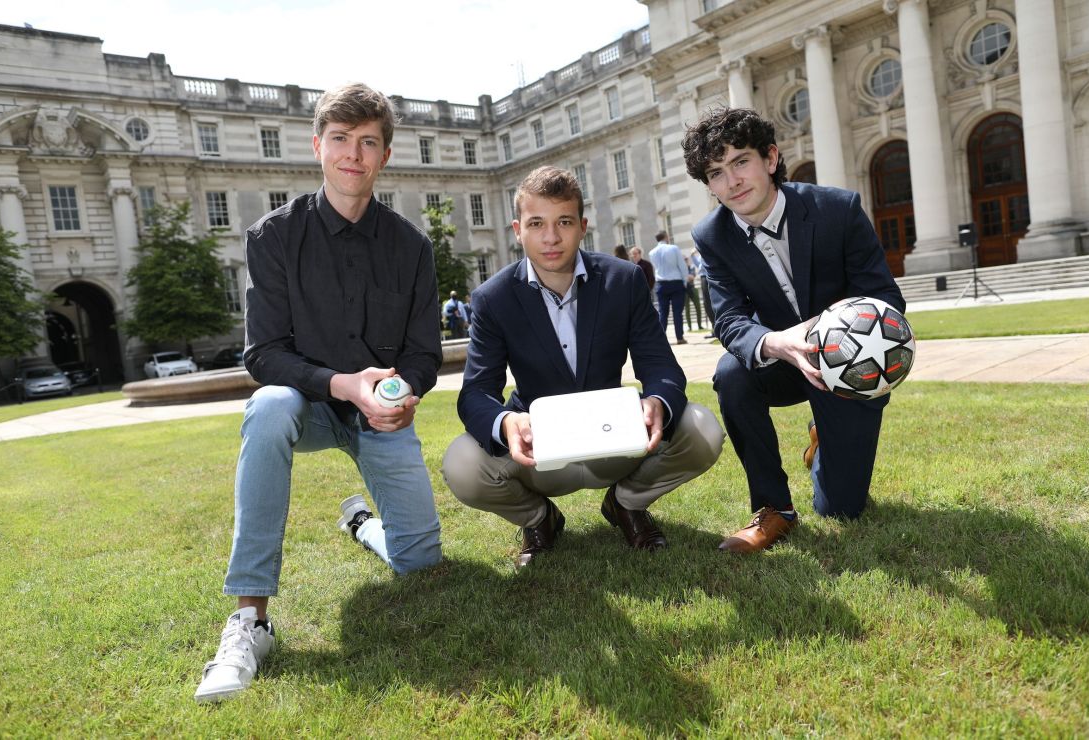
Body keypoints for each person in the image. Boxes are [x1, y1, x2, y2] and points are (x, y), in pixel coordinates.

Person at [194, 83, 444, 703]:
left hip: (378, 418)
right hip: (306, 407)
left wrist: (403, 391)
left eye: (367, 143)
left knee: (421, 561)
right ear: (317, 147)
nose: (352, 155)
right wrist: (342, 384)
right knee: (270, 403)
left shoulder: (412, 246)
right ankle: (250, 619)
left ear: (385, 156)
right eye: (340, 141)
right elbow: (263, 354)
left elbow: (422, 354)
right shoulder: (273, 238)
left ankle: (361, 523)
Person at [442, 166, 724, 569]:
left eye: (564, 222)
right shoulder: (492, 298)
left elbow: (659, 364)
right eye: (537, 224)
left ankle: (626, 504)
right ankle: (541, 520)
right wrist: (505, 421)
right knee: (462, 464)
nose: (551, 237)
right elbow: (476, 393)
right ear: (518, 229)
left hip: (616, 441)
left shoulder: (623, 281)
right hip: (540, 451)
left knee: (703, 429)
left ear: (582, 226)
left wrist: (658, 400)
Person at [682, 107, 904, 554]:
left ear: (769, 157)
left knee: (841, 509)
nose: (732, 181)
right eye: (716, 173)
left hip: (848, 363)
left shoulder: (837, 209)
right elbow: (728, 320)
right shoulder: (712, 235)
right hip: (783, 361)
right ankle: (773, 510)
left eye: (740, 161)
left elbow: (886, 300)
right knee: (731, 373)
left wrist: (836, 329)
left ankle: (822, 439)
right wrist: (775, 342)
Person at [648, 231, 689, 344]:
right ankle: (679, 337)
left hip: (661, 284)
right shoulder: (674, 248)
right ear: (666, 237)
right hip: (676, 282)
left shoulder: (652, 252)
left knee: (662, 312)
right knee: (677, 312)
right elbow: (682, 266)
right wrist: (684, 281)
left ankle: (661, 338)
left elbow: (656, 267)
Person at [692, 249, 717, 338]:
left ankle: (717, 329)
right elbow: (699, 265)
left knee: (711, 303)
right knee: (707, 304)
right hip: (704, 277)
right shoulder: (700, 254)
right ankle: (715, 328)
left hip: (709, 276)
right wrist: (692, 255)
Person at [683, 254, 705, 332]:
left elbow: (692, 277)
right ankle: (689, 326)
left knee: (698, 307)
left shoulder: (691, 267)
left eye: (686, 259)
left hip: (692, 288)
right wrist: (687, 276)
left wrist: (685, 276)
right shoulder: (682, 268)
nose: (686, 261)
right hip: (684, 290)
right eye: (684, 260)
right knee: (687, 309)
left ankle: (699, 325)